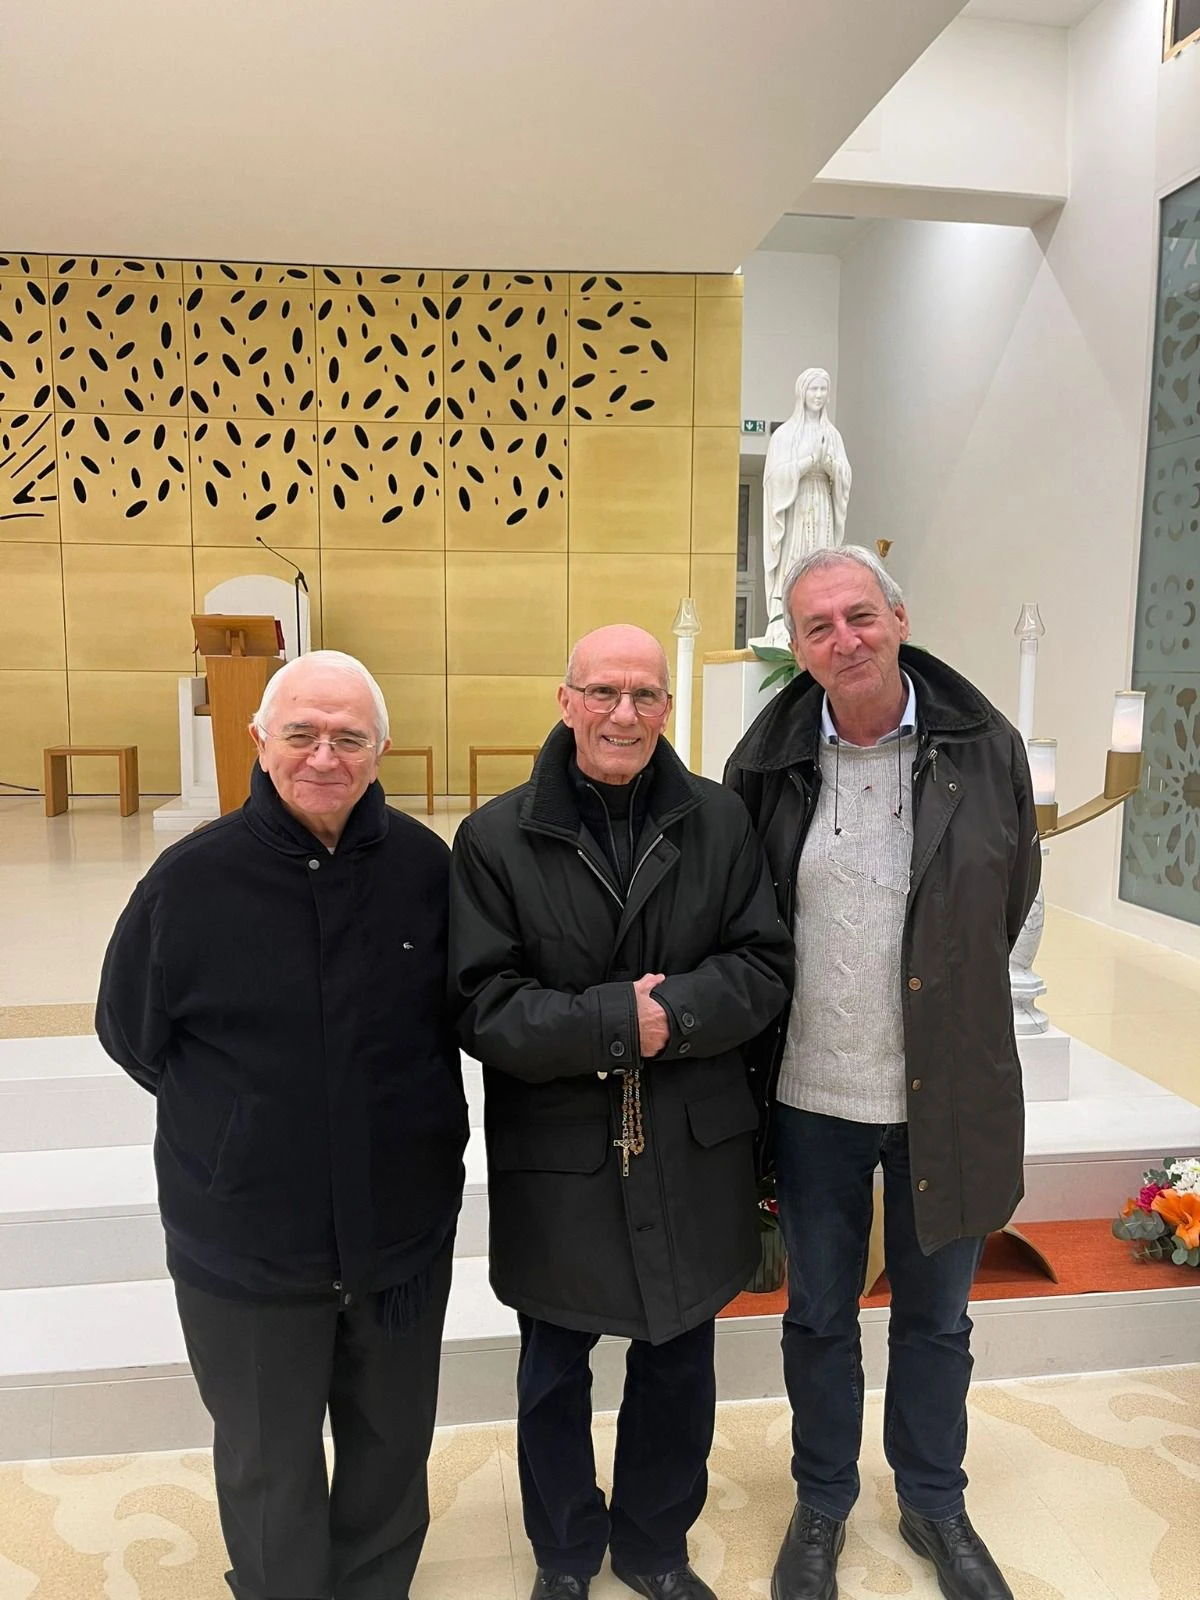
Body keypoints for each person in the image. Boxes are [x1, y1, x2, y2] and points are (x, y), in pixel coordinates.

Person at [96, 649, 468, 1600]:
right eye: (301, 733)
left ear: (382, 751)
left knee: (392, 1447)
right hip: (247, 1243)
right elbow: (130, 1032)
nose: (324, 756)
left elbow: (461, 1016)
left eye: (349, 737)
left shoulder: (428, 870)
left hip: (400, 1231)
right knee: (268, 1462)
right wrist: (242, 1131)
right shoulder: (189, 882)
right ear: (260, 740)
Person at [450, 624, 792, 1600]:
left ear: (667, 709)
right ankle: (563, 1555)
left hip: (690, 1137)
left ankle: (652, 1546)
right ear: (566, 701)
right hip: (561, 1150)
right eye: (602, 692)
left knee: (678, 1361)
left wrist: (668, 1016)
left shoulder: (720, 821)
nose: (623, 714)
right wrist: (614, 1022)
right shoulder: (495, 838)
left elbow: (764, 965)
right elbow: (481, 1003)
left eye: (644, 694)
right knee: (554, 1370)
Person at [726, 548, 1038, 1600]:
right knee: (819, 1314)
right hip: (811, 1094)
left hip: (942, 1091)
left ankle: (934, 1501)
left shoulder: (984, 747)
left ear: (899, 618)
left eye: (859, 615)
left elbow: (1006, 893)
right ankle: (822, 1500)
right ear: (797, 648)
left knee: (937, 1317)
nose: (844, 640)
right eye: (818, 626)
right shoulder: (764, 765)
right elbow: (744, 916)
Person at [760, 368, 852, 649]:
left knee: (822, 560)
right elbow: (774, 478)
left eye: (823, 390)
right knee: (794, 561)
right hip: (796, 507)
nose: (819, 395)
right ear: (802, 392)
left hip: (822, 503)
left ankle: (823, 619)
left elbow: (845, 474)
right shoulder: (785, 435)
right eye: (814, 389)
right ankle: (785, 623)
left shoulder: (832, 435)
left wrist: (830, 466)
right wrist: (807, 462)